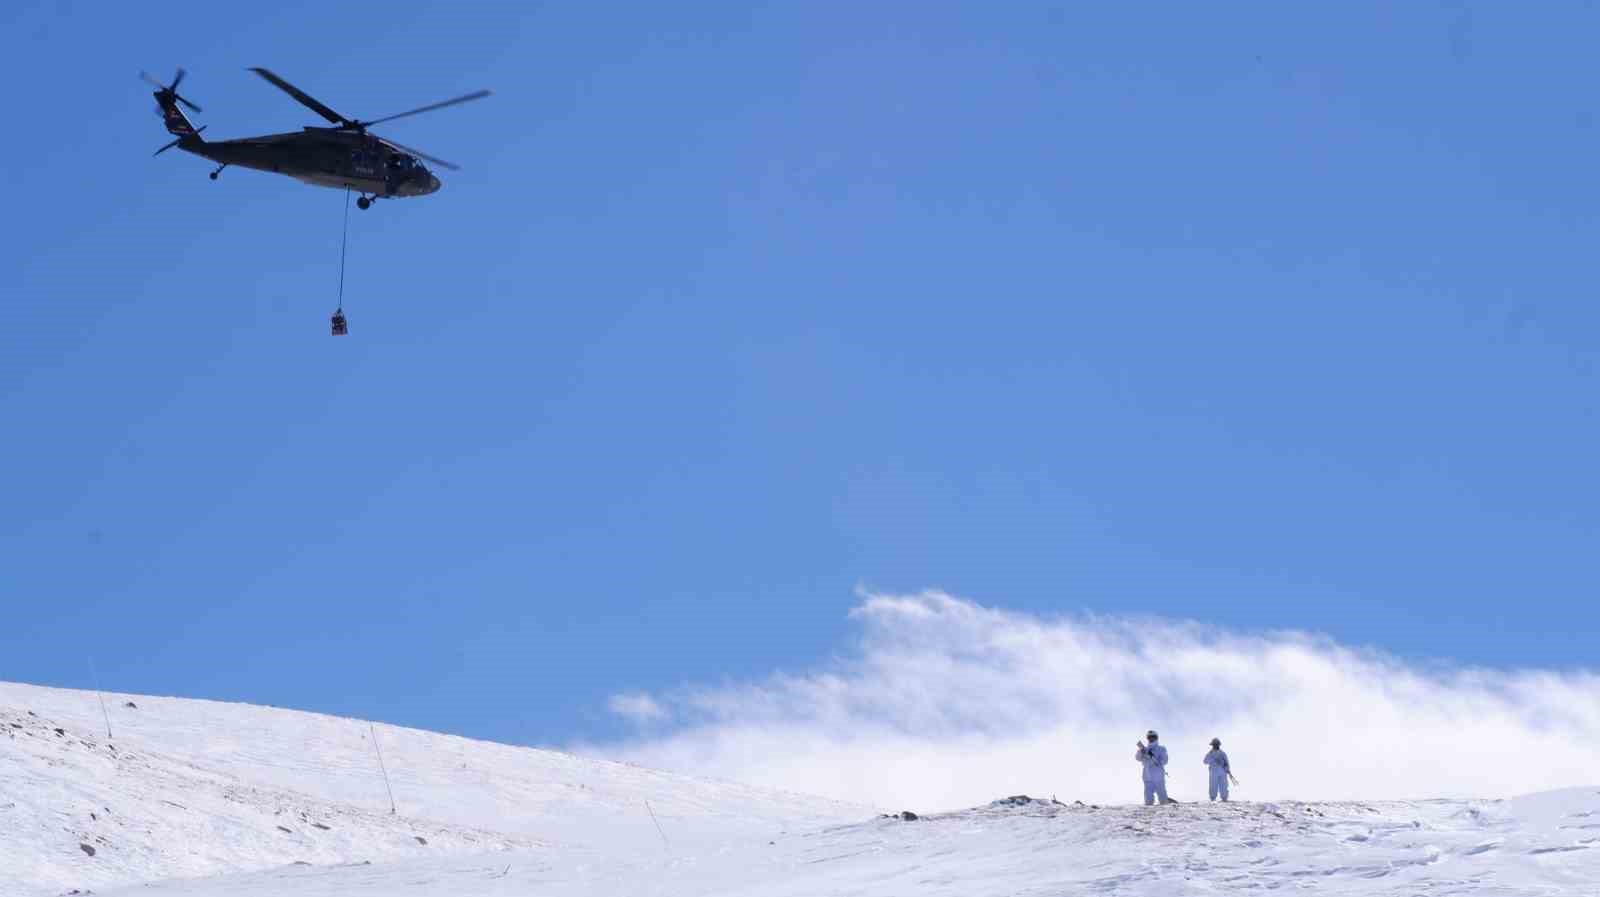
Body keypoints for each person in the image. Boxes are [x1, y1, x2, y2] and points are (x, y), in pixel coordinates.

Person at [1134, 729, 1170, 805]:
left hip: (1158, 777)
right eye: (1149, 737)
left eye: (1153, 737)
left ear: (1156, 738)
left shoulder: (1161, 748)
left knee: (1163, 798)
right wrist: (1141, 752)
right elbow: (1137, 758)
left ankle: (1165, 814)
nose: (1151, 739)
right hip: (1147, 777)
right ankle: (1150, 815)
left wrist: (1156, 761)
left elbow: (1165, 760)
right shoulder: (1144, 749)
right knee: (1148, 800)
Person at [1204, 737, 1231, 802]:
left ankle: (1224, 798)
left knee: (1224, 785)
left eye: (1216, 744)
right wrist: (1212, 760)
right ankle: (1213, 799)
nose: (1215, 745)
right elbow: (1205, 761)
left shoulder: (1222, 753)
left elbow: (1227, 762)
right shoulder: (1210, 753)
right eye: (1214, 744)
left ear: (1218, 745)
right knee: (1213, 785)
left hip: (1222, 772)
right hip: (1213, 771)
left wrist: (1227, 769)